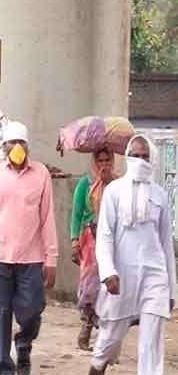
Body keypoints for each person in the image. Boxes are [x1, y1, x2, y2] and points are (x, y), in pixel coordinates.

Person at [88, 135, 176, 375]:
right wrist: (108, 271)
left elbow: (165, 244)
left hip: (154, 273)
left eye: (145, 155)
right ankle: (99, 360)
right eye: (135, 155)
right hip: (122, 273)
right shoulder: (114, 191)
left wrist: (172, 289)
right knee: (113, 331)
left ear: (152, 159)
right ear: (127, 157)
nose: (140, 160)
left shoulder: (160, 195)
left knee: (152, 337)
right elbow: (105, 236)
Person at [0, 121, 58, 375]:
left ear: (27, 146)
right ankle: (3, 371)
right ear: (5, 147)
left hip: (31, 258)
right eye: (12, 144)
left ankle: (24, 342)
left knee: (32, 310)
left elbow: (47, 218)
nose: (17, 148)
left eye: (21, 143)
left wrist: (51, 257)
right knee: (0, 313)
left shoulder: (41, 174)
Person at [70, 149, 117, 350]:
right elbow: (77, 214)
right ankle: (86, 328)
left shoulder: (118, 184)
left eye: (107, 160)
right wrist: (74, 242)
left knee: (109, 286)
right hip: (90, 240)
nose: (103, 164)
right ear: (94, 161)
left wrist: (109, 183)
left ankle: (104, 336)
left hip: (113, 242)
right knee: (89, 285)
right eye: (100, 160)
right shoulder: (85, 184)